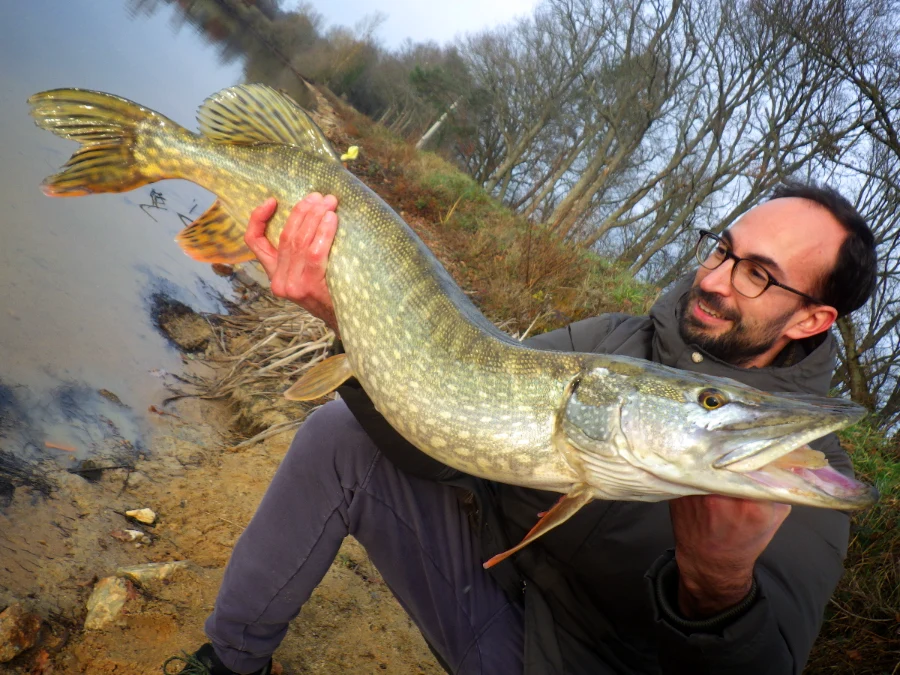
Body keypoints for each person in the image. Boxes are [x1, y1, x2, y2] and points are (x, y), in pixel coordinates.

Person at [165, 181, 877, 675]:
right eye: (724, 249)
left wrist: (718, 587)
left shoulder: (797, 468)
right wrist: (349, 324)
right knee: (340, 436)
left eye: (759, 274)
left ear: (813, 318)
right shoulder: (614, 343)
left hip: (563, 663)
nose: (717, 278)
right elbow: (449, 437)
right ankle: (231, 658)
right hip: (484, 581)